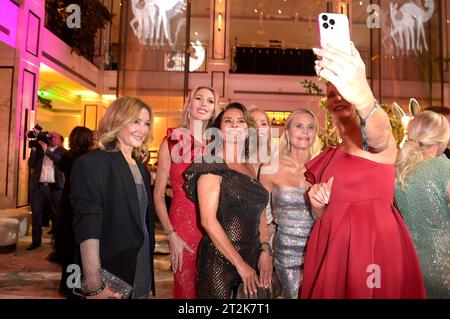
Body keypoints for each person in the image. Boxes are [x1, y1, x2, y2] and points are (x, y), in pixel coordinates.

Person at [299, 43, 426, 298]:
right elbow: (321, 212)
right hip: (332, 245)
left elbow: (379, 133)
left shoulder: (378, 137)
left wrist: (365, 98)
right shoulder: (331, 152)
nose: (337, 99)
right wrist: (317, 204)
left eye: (343, 93)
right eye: (331, 94)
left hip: (372, 243)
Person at [183, 103, 271, 299]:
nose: (234, 126)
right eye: (228, 121)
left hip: (252, 255)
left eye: (240, 121)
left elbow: (261, 214)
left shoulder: (252, 167)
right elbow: (207, 221)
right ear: (219, 131)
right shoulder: (211, 163)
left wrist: (266, 250)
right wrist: (239, 264)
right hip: (219, 259)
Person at [71, 96, 156, 299]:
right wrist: (93, 284)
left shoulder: (141, 168)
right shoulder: (92, 163)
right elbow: (88, 225)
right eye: (136, 121)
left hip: (141, 262)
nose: (142, 130)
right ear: (117, 120)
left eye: (146, 124)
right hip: (110, 269)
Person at [154, 86, 220, 298]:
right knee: (186, 289)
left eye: (209, 101)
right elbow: (158, 195)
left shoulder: (219, 146)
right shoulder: (171, 141)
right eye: (198, 98)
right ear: (189, 105)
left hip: (216, 227)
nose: (203, 104)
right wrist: (170, 234)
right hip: (182, 226)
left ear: (214, 110)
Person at [259, 109, 319, 299]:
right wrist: (265, 250)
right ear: (287, 132)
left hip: (318, 250)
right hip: (285, 253)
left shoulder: (324, 166)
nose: (305, 132)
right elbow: (259, 214)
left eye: (311, 127)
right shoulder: (270, 167)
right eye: (299, 126)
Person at [394, 111, 450, 299]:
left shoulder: (399, 171)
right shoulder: (443, 169)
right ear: (442, 139)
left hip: (409, 264)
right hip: (442, 266)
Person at [54, 126, 93, 297]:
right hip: (81, 203)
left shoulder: (67, 157)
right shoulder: (89, 158)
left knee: (68, 247)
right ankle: (77, 285)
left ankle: (67, 285)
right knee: (80, 248)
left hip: (67, 203)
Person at [27, 131, 67, 250]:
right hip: (38, 187)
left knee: (57, 216)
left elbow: (59, 161)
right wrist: (34, 150)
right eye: (50, 136)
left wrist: (47, 151)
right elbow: (31, 165)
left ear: (60, 140)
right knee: (36, 215)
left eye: (55, 137)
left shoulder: (63, 152)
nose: (52, 138)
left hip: (54, 188)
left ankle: (58, 243)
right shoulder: (39, 150)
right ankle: (36, 242)